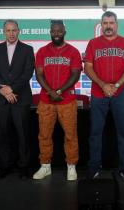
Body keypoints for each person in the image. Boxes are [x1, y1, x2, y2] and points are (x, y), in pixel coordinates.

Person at [84, 11, 124, 182]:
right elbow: (88, 67)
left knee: (123, 132)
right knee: (95, 132)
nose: (108, 26)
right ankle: (94, 167)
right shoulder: (93, 43)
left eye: (111, 23)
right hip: (99, 93)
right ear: (101, 25)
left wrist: (115, 85)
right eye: (105, 23)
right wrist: (103, 85)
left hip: (120, 93)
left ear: (116, 24)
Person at [32, 20, 82, 181]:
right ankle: (45, 166)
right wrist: (50, 91)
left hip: (66, 100)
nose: (56, 34)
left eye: (59, 31)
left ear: (64, 32)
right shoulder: (42, 51)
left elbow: (75, 74)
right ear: (50, 32)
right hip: (46, 101)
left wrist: (59, 91)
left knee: (70, 135)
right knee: (44, 135)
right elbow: (39, 74)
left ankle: (71, 166)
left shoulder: (73, 51)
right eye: (53, 31)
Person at [0, 19, 35, 179]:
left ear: (19, 31)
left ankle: (24, 166)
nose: (11, 33)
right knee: (3, 133)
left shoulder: (28, 49)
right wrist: (4, 90)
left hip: (20, 98)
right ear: (4, 32)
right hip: (1, 98)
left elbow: (27, 73)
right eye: (8, 30)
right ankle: (5, 165)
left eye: (14, 30)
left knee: (23, 134)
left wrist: (12, 89)